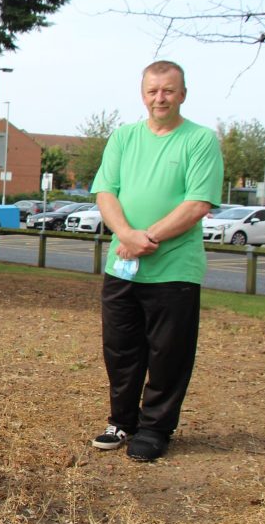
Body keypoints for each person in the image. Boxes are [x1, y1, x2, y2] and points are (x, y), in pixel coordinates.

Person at [90, 61, 223, 462]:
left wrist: (148, 237)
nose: (159, 98)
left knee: (169, 352)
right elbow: (105, 193)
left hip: (173, 268)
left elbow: (198, 202)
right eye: (152, 91)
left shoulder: (199, 140)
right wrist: (126, 236)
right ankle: (122, 422)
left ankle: (155, 428)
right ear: (142, 93)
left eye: (168, 90)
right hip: (123, 265)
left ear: (183, 93)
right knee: (121, 349)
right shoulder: (124, 137)